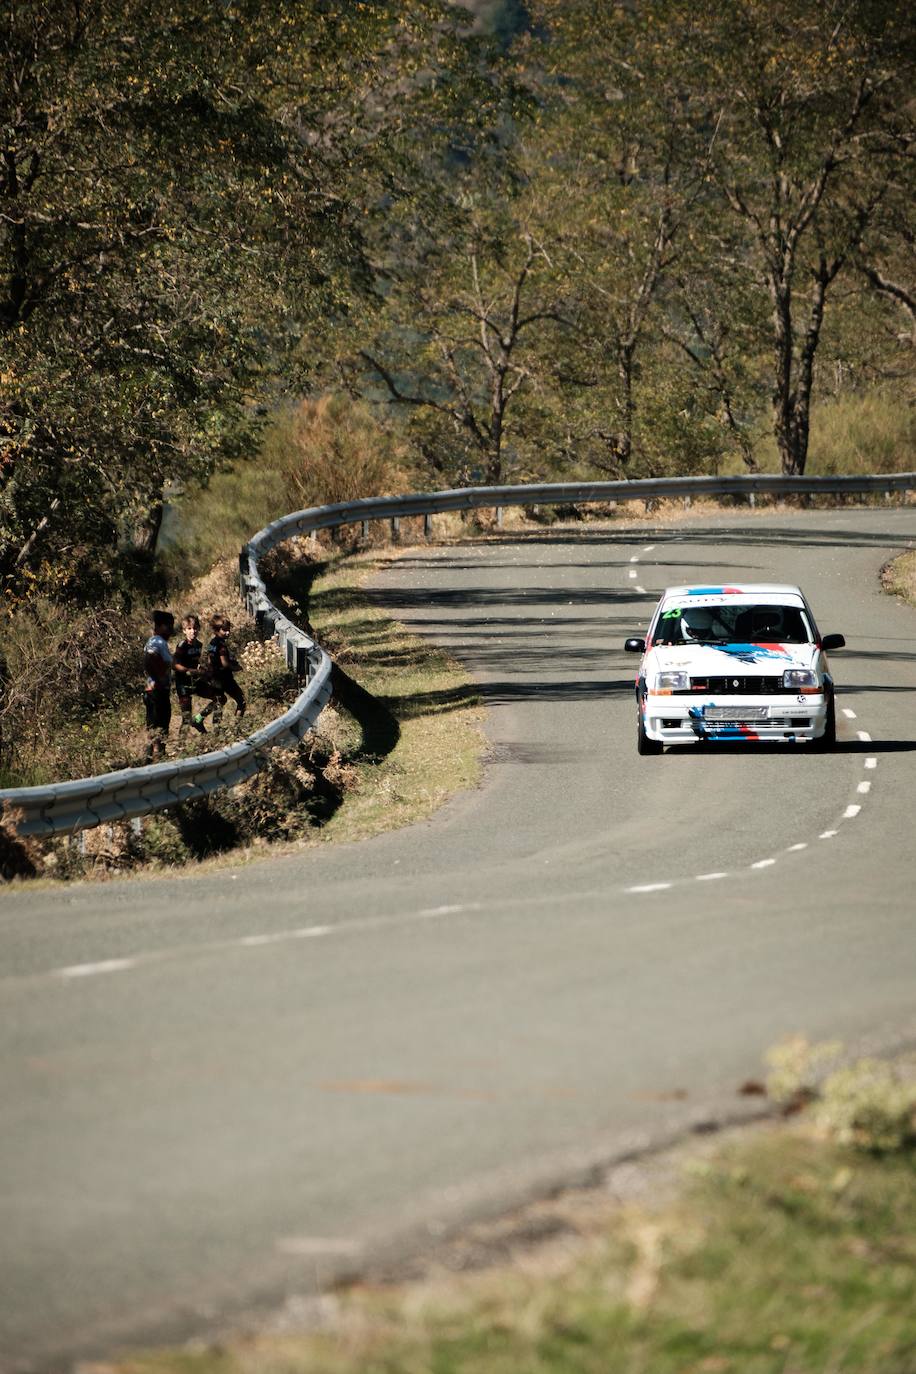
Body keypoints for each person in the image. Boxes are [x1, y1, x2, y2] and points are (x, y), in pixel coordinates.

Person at [194, 614, 245, 730]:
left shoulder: (212, 643)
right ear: (217, 630)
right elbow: (225, 664)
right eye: (224, 630)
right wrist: (237, 667)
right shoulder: (221, 646)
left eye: (229, 630)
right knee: (242, 701)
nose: (228, 633)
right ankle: (236, 729)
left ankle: (201, 721)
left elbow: (209, 660)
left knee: (219, 701)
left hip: (214, 678)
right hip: (224, 679)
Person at [143, 610, 175, 761]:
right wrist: (159, 678)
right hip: (157, 690)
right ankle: (157, 755)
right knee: (159, 723)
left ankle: (151, 755)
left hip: (156, 689)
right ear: (160, 626)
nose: (171, 630)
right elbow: (150, 659)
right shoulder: (157, 641)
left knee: (155, 722)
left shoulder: (158, 642)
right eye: (168, 627)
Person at [173, 614, 206, 734]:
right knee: (186, 719)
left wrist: (202, 670)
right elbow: (175, 665)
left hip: (195, 681)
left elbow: (196, 663)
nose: (193, 631)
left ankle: (198, 720)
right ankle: (181, 747)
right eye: (189, 628)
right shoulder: (182, 646)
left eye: (195, 628)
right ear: (184, 631)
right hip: (183, 685)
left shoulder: (199, 645)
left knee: (220, 698)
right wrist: (191, 671)